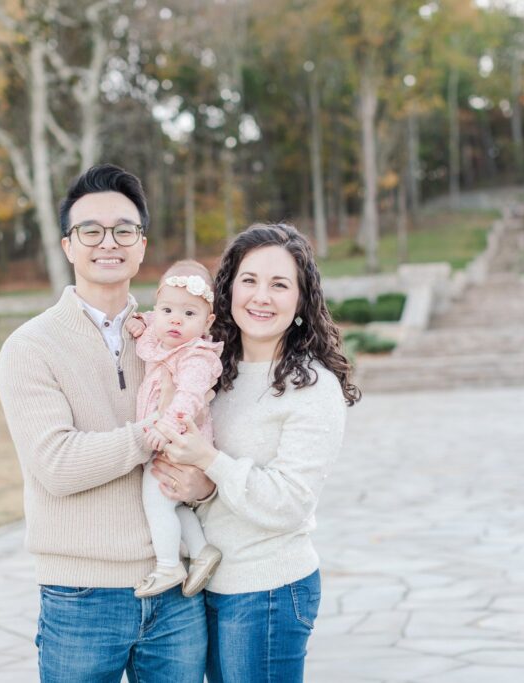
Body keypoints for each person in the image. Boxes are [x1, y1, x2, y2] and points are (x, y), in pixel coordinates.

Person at [0, 164, 214, 683]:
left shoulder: (177, 338)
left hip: (177, 591)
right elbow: (58, 466)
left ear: (141, 246)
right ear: (69, 245)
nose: (107, 243)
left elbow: (204, 442)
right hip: (80, 596)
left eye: (123, 230)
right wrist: (151, 434)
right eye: (90, 231)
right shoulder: (30, 348)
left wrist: (204, 483)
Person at [152, 223, 361, 682]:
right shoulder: (211, 370)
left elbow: (288, 504)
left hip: (267, 591)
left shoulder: (313, 387)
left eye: (279, 284)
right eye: (249, 280)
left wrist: (209, 461)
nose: (261, 296)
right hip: (205, 588)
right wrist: (203, 488)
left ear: (302, 300)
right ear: (227, 290)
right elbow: (212, 491)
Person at [124, 260, 224, 598]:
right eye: (167, 310)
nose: (176, 320)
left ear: (208, 321)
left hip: (180, 441)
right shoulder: (167, 335)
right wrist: (143, 324)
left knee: (155, 496)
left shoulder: (197, 357)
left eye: (189, 314)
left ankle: (168, 565)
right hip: (170, 442)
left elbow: (189, 398)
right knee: (173, 501)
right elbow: (158, 321)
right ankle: (200, 551)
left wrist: (165, 426)